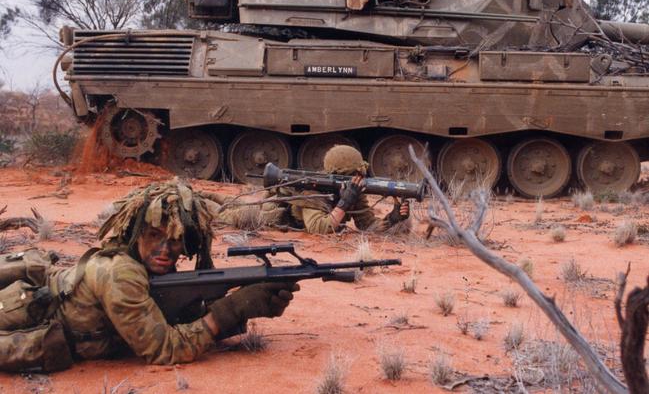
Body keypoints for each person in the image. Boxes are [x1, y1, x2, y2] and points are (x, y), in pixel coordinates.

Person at [0, 180, 298, 372]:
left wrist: (250, 304)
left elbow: (173, 318)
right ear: (135, 233)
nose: (164, 249)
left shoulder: (145, 265)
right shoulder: (121, 273)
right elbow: (165, 349)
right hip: (22, 323)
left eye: (175, 239)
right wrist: (230, 310)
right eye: (154, 235)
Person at [264, 145, 410, 234]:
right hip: (273, 218)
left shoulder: (351, 189)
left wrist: (392, 219)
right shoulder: (314, 189)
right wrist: (345, 202)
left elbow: (367, 225)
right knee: (242, 217)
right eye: (355, 174)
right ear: (341, 175)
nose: (360, 177)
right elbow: (319, 228)